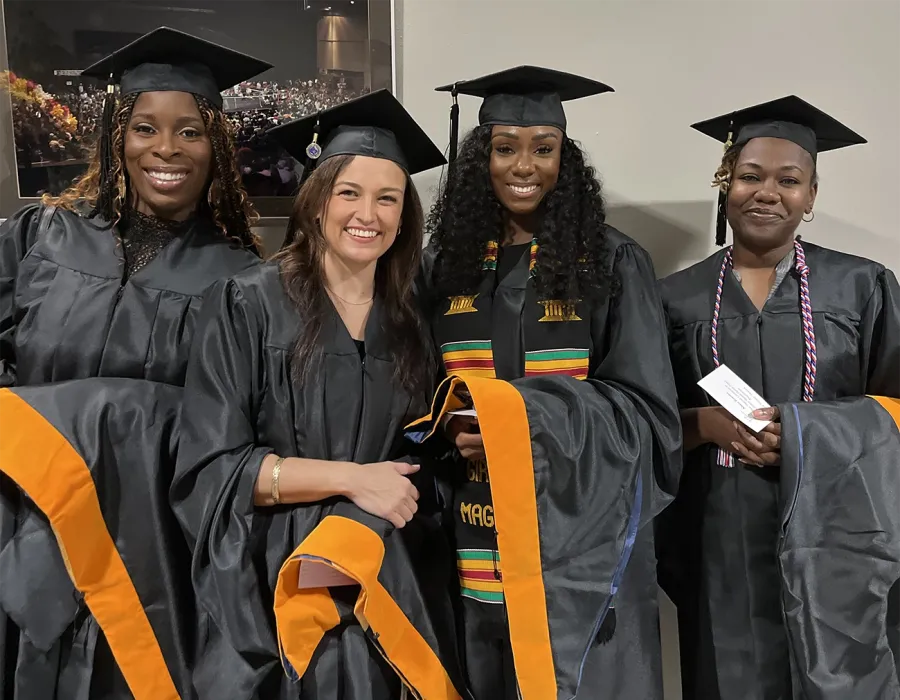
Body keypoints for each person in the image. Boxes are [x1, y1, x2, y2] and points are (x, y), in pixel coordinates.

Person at [171, 89, 468, 700]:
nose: (369, 213)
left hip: (388, 569)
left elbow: (423, 455)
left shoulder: (415, 318)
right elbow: (210, 469)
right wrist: (352, 480)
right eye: (349, 192)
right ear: (315, 202)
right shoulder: (247, 304)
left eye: (388, 198)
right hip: (275, 571)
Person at [0, 27, 270, 699]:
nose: (166, 150)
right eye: (145, 128)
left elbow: (231, 432)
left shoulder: (240, 281)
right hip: (25, 521)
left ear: (217, 149)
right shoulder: (42, 236)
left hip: (152, 556)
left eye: (190, 132)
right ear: (117, 137)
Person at [417, 66, 682, 700]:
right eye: (505, 148)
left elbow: (650, 419)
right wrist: (447, 427)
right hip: (470, 536)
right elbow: (416, 393)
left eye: (544, 148)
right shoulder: (444, 267)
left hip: (578, 538)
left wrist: (521, 424)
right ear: (481, 157)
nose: (523, 165)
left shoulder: (613, 263)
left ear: (567, 157)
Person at [658, 95, 900, 699]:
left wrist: (803, 432)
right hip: (718, 531)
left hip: (838, 529)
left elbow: (896, 411)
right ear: (726, 183)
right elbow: (641, 418)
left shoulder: (864, 285)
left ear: (811, 196)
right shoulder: (674, 298)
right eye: (749, 176)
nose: (768, 192)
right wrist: (704, 424)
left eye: (789, 180)